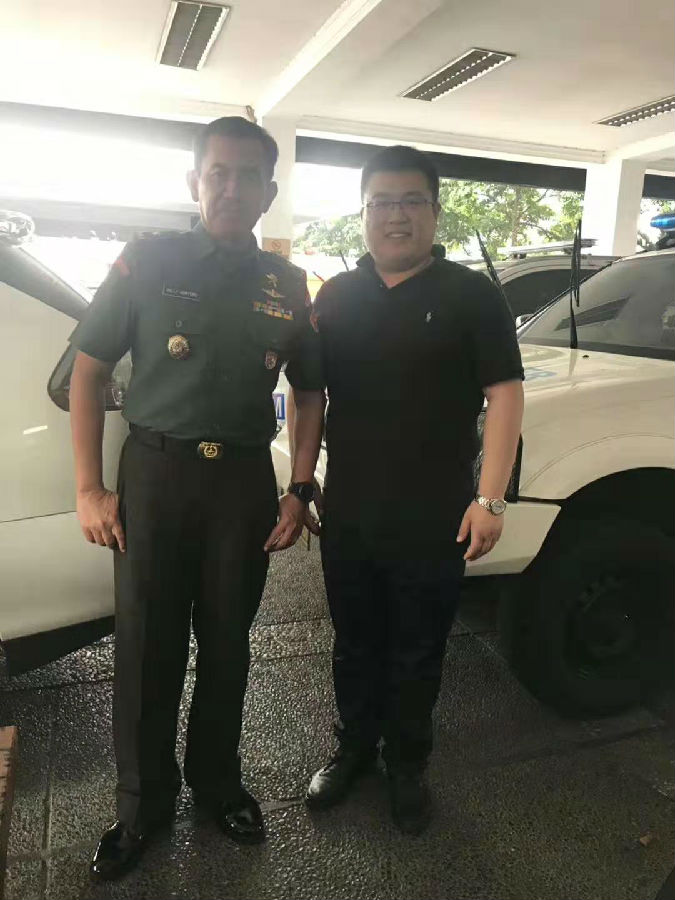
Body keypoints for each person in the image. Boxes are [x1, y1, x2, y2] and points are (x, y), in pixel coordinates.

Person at [69, 116, 325, 881]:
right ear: (195, 182)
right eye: (219, 173)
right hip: (156, 475)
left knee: (227, 643)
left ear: (268, 193)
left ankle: (217, 784)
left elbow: (309, 391)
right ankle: (141, 804)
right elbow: (88, 369)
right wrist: (89, 487)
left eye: (249, 176)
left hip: (240, 483)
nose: (232, 188)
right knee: (146, 646)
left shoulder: (287, 284)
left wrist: (299, 486)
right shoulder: (147, 262)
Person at [301, 145, 524, 834]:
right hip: (351, 508)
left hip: (436, 512)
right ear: (363, 212)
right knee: (354, 641)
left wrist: (489, 499)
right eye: (380, 203)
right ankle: (352, 750)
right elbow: (310, 395)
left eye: (409, 202)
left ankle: (407, 763)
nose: (394, 216)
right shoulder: (336, 297)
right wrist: (301, 482)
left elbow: (505, 393)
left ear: (434, 210)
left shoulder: (471, 295)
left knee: (418, 648)